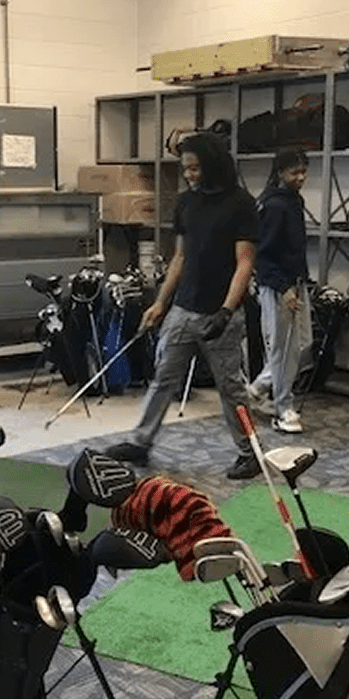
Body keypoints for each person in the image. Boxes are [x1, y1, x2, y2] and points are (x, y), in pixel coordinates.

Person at [105, 132, 261, 480]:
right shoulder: (187, 203)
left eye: (194, 167)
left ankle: (250, 453)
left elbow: (244, 263)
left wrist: (226, 311)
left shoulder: (241, 204)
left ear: (213, 165)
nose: (189, 174)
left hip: (222, 314)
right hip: (183, 310)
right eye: (185, 168)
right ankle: (140, 442)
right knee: (163, 377)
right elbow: (180, 256)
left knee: (230, 388)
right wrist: (161, 301)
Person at [248, 148, 313, 433]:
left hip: (294, 282)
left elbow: (294, 249)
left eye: (303, 171)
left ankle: (259, 387)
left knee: (301, 343)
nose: (300, 177)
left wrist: (298, 282)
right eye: (294, 172)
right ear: (280, 173)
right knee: (283, 349)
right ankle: (283, 408)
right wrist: (284, 287)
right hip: (276, 286)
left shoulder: (293, 201)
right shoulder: (273, 205)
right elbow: (264, 253)